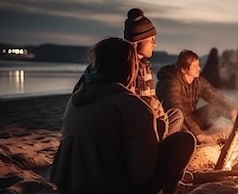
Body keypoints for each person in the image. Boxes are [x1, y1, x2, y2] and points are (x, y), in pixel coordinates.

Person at [51, 37, 197, 194]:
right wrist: (159, 132)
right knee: (184, 141)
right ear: (130, 68)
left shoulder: (76, 99)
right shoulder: (133, 106)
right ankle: (172, 191)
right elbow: (141, 175)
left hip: (69, 189)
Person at [73, 8, 183, 140]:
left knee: (176, 115)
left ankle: (159, 142)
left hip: (141, 120)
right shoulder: (121, 64)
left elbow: (151, 99)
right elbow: (124, 102)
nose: (155, 44)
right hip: (128, 125)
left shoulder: (144, 66)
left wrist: (157, 111)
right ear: (138, 40)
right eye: (151, 39)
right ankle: (157, 148)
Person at [156, 49, 238, 145]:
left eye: (198, 65)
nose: (199, 68)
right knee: (185, 131)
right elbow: (178, 110)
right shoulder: (171, 83)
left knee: (215, 108)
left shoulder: (197, 81)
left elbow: (216, 96)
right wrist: (200, 135)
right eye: (195, 66)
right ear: (184, 69)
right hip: (172, 124)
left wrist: (233, 110)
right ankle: (196, 139)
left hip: (189, 120)